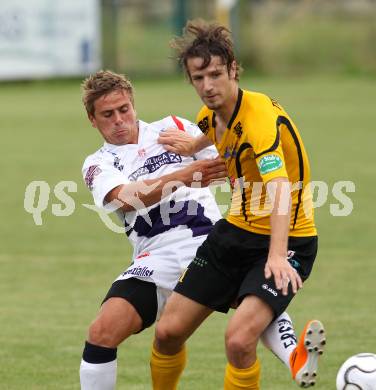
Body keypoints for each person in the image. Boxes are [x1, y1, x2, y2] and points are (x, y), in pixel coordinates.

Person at [79, 70, 307, 390]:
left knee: (250, 299)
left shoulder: (175, 126)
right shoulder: (97, 164)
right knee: (102, 332)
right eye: (108, 114)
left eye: (124, 109)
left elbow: (222, 155)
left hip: (209, 240)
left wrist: (219, 157)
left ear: (133, 104)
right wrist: (185, 175)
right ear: (92, 119)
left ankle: (297, 356)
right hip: (156, 255)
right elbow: (126, 199)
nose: (119, 120)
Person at [153, 20, 326, 389]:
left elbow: (279, 188)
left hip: (288, 238)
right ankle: (287, 341)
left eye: (215, 74)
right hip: (233, 233)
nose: (207, 86)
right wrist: (190, 147)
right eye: (198, 78)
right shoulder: (210, 115)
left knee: (238, 340)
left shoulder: (259, 118)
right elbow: (210, 128)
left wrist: (277, 256)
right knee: (167, 332)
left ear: (233, 69)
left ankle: (284, 337)